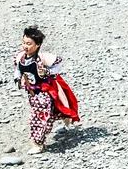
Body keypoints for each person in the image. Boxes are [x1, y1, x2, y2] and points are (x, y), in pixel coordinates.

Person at [14, 26, 79, 154]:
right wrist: (17, 79)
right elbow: (18, 69)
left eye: (29, 44)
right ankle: (65, 117)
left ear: (37, 45)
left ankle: (38, 143)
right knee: (48, 112)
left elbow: (57, 65)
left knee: (38, 117)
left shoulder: (42, 59)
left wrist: (47, 72)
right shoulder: (21, 57)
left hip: (43, 94)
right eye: (24, 43)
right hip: (32, 93)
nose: (25, 46)